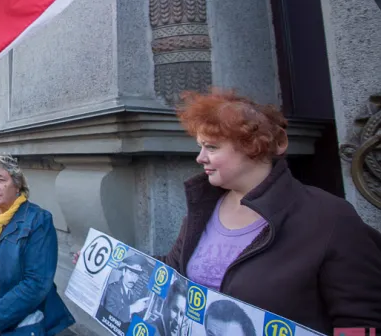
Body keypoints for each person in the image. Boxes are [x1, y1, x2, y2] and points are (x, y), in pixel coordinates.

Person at [159, 89, 381, 333]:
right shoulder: (203, 210)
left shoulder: (331, 217)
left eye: (211, 147)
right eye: (200, 146)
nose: (200, 158)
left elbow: (361, 320)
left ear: (256, 146)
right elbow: (172, 278)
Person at [0, 155, 74, 336]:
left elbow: (37, 282)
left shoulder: (38, 220)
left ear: (17, 184)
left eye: (1, 180)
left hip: (23, 326)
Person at [99, 252, 150, 324]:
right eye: (131, 273)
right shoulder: (112, 289)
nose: (134, 279)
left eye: (137, 276)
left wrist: (145, 316)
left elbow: (132, 317)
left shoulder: (133, 294)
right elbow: (109, 316)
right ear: (124, 272)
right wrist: (131, 308)